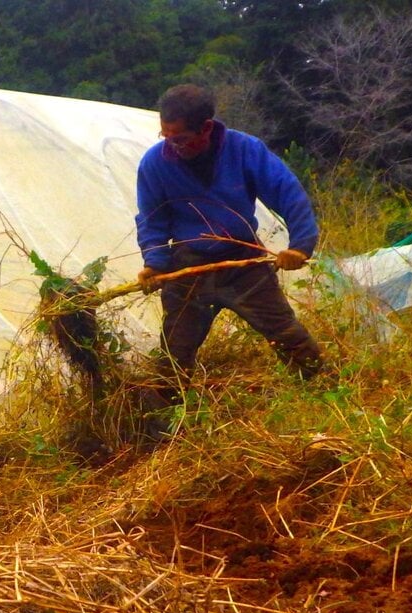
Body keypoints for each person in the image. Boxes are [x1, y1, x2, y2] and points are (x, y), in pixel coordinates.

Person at [134, 83, 323, 396]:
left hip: (242, 261)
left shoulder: (245, 150)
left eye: (180, 139)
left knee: (288, 336)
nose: (172, 146)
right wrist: (154, 264)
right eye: (165, 137)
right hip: (189, 267)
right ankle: (164, 426)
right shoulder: (155, 163)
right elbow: (152, 219)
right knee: (174, 356)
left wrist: (300, 246)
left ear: (206, 128)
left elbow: (288, 193)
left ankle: (321, 395)